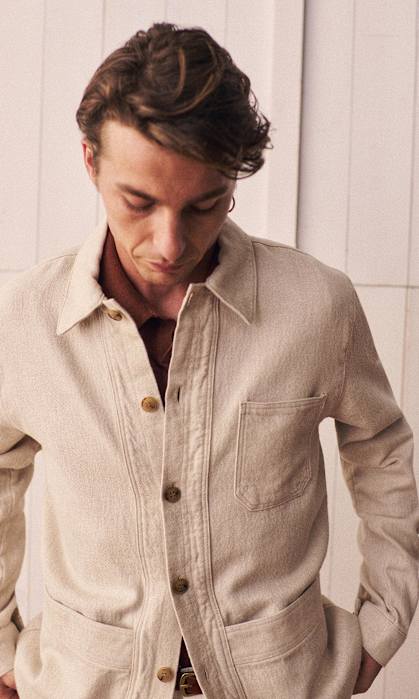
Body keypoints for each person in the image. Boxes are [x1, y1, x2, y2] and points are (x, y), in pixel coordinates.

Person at [0, 21, 418, 699]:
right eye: (139, 203)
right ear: (90, 162)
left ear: (233, 179)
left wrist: (382, 623)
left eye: (204, 205)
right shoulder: (26, 316)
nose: (169, 243)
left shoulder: (317, 305)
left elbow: (382, 450)